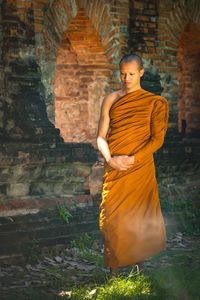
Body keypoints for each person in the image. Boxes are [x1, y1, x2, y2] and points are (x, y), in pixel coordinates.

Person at [96, 53, 169, 276]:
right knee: (112, 218)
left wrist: (134, 159)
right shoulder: (111, 99)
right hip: (115, 166)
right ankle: (114, 271)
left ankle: (139, 268)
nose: (126, 78)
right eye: (122, 74)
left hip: (140, 166)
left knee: (140, 215)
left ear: (141, 73)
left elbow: (157, 139)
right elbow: (100, 137)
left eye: (131, 74)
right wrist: (110, 159)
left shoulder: (154, 102)